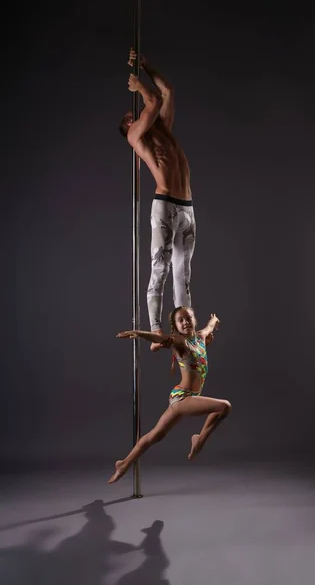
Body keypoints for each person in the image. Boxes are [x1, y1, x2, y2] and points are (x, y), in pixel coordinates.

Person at [119, 49, 196, 351]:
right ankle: (155, 331)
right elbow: (151, 102)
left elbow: (166, 92)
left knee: (183, 273)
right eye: (129, 117)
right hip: (164, 205)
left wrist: (146, 65)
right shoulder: (136, 136)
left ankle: (186, 336)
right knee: (160, 267)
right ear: (128, 127)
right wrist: (139, 86)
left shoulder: (163, 129)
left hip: (187, 207)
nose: (133, 114)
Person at [108, 307, 231, 484]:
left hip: (185, 397)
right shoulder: (179, 342)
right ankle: (199, 440)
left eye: (188, 318)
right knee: (224, 406)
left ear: (194, 320)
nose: (185, 322)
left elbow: (210, 326)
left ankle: (123, 463)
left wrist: (215, 320)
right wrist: (139, 333)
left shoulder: (201, 337)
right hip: (182, 398)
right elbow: (160, 338)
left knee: (156, 435)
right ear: (176, 326)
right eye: (180, 320)